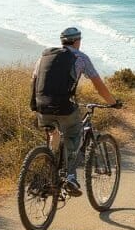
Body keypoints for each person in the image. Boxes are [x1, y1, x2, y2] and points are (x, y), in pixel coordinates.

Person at [31, 27, 120, 196]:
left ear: (62, 41)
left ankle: (48, 173)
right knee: (73, 134)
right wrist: (113, 102)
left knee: (54, 135)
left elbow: (34, 81)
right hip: (64, 107)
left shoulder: (45, 56)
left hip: (41, 106)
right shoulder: (80, 57)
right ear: (77, 41)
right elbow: (99, 86)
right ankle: (70, 177)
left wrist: (35, 105)